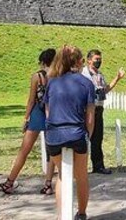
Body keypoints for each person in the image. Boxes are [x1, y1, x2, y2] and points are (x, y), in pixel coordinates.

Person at [0, 49, 57, 195]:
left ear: (43, 61)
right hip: (52, 115)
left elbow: (31, 100)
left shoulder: (37, 76)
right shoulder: (57, 76)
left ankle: (10, 181)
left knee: (24, 151)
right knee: (51, 152)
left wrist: (26, 117)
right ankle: (48, 184)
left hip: (37, 114)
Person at [44, 45, 95, 220]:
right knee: (81, 175)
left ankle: (61, 215)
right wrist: (88, 135)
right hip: (76, 133)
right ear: (80, 62)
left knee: (62, 175)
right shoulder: (87, 83)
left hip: (54, 135)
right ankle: (81, 213)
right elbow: (90, 117)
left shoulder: (51, 82)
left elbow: (48, 112)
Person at [81, 49, 126, 174]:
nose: (99, 62)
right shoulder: (83, 74)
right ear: (89, 60)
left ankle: (98, 166)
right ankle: (80, 167)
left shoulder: (100, 75)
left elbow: (105, 90)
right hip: (86, 109)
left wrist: (117, 78)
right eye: (96, 59)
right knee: (83, 137)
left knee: (97, 138)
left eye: (100, 59)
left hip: (99, 108)